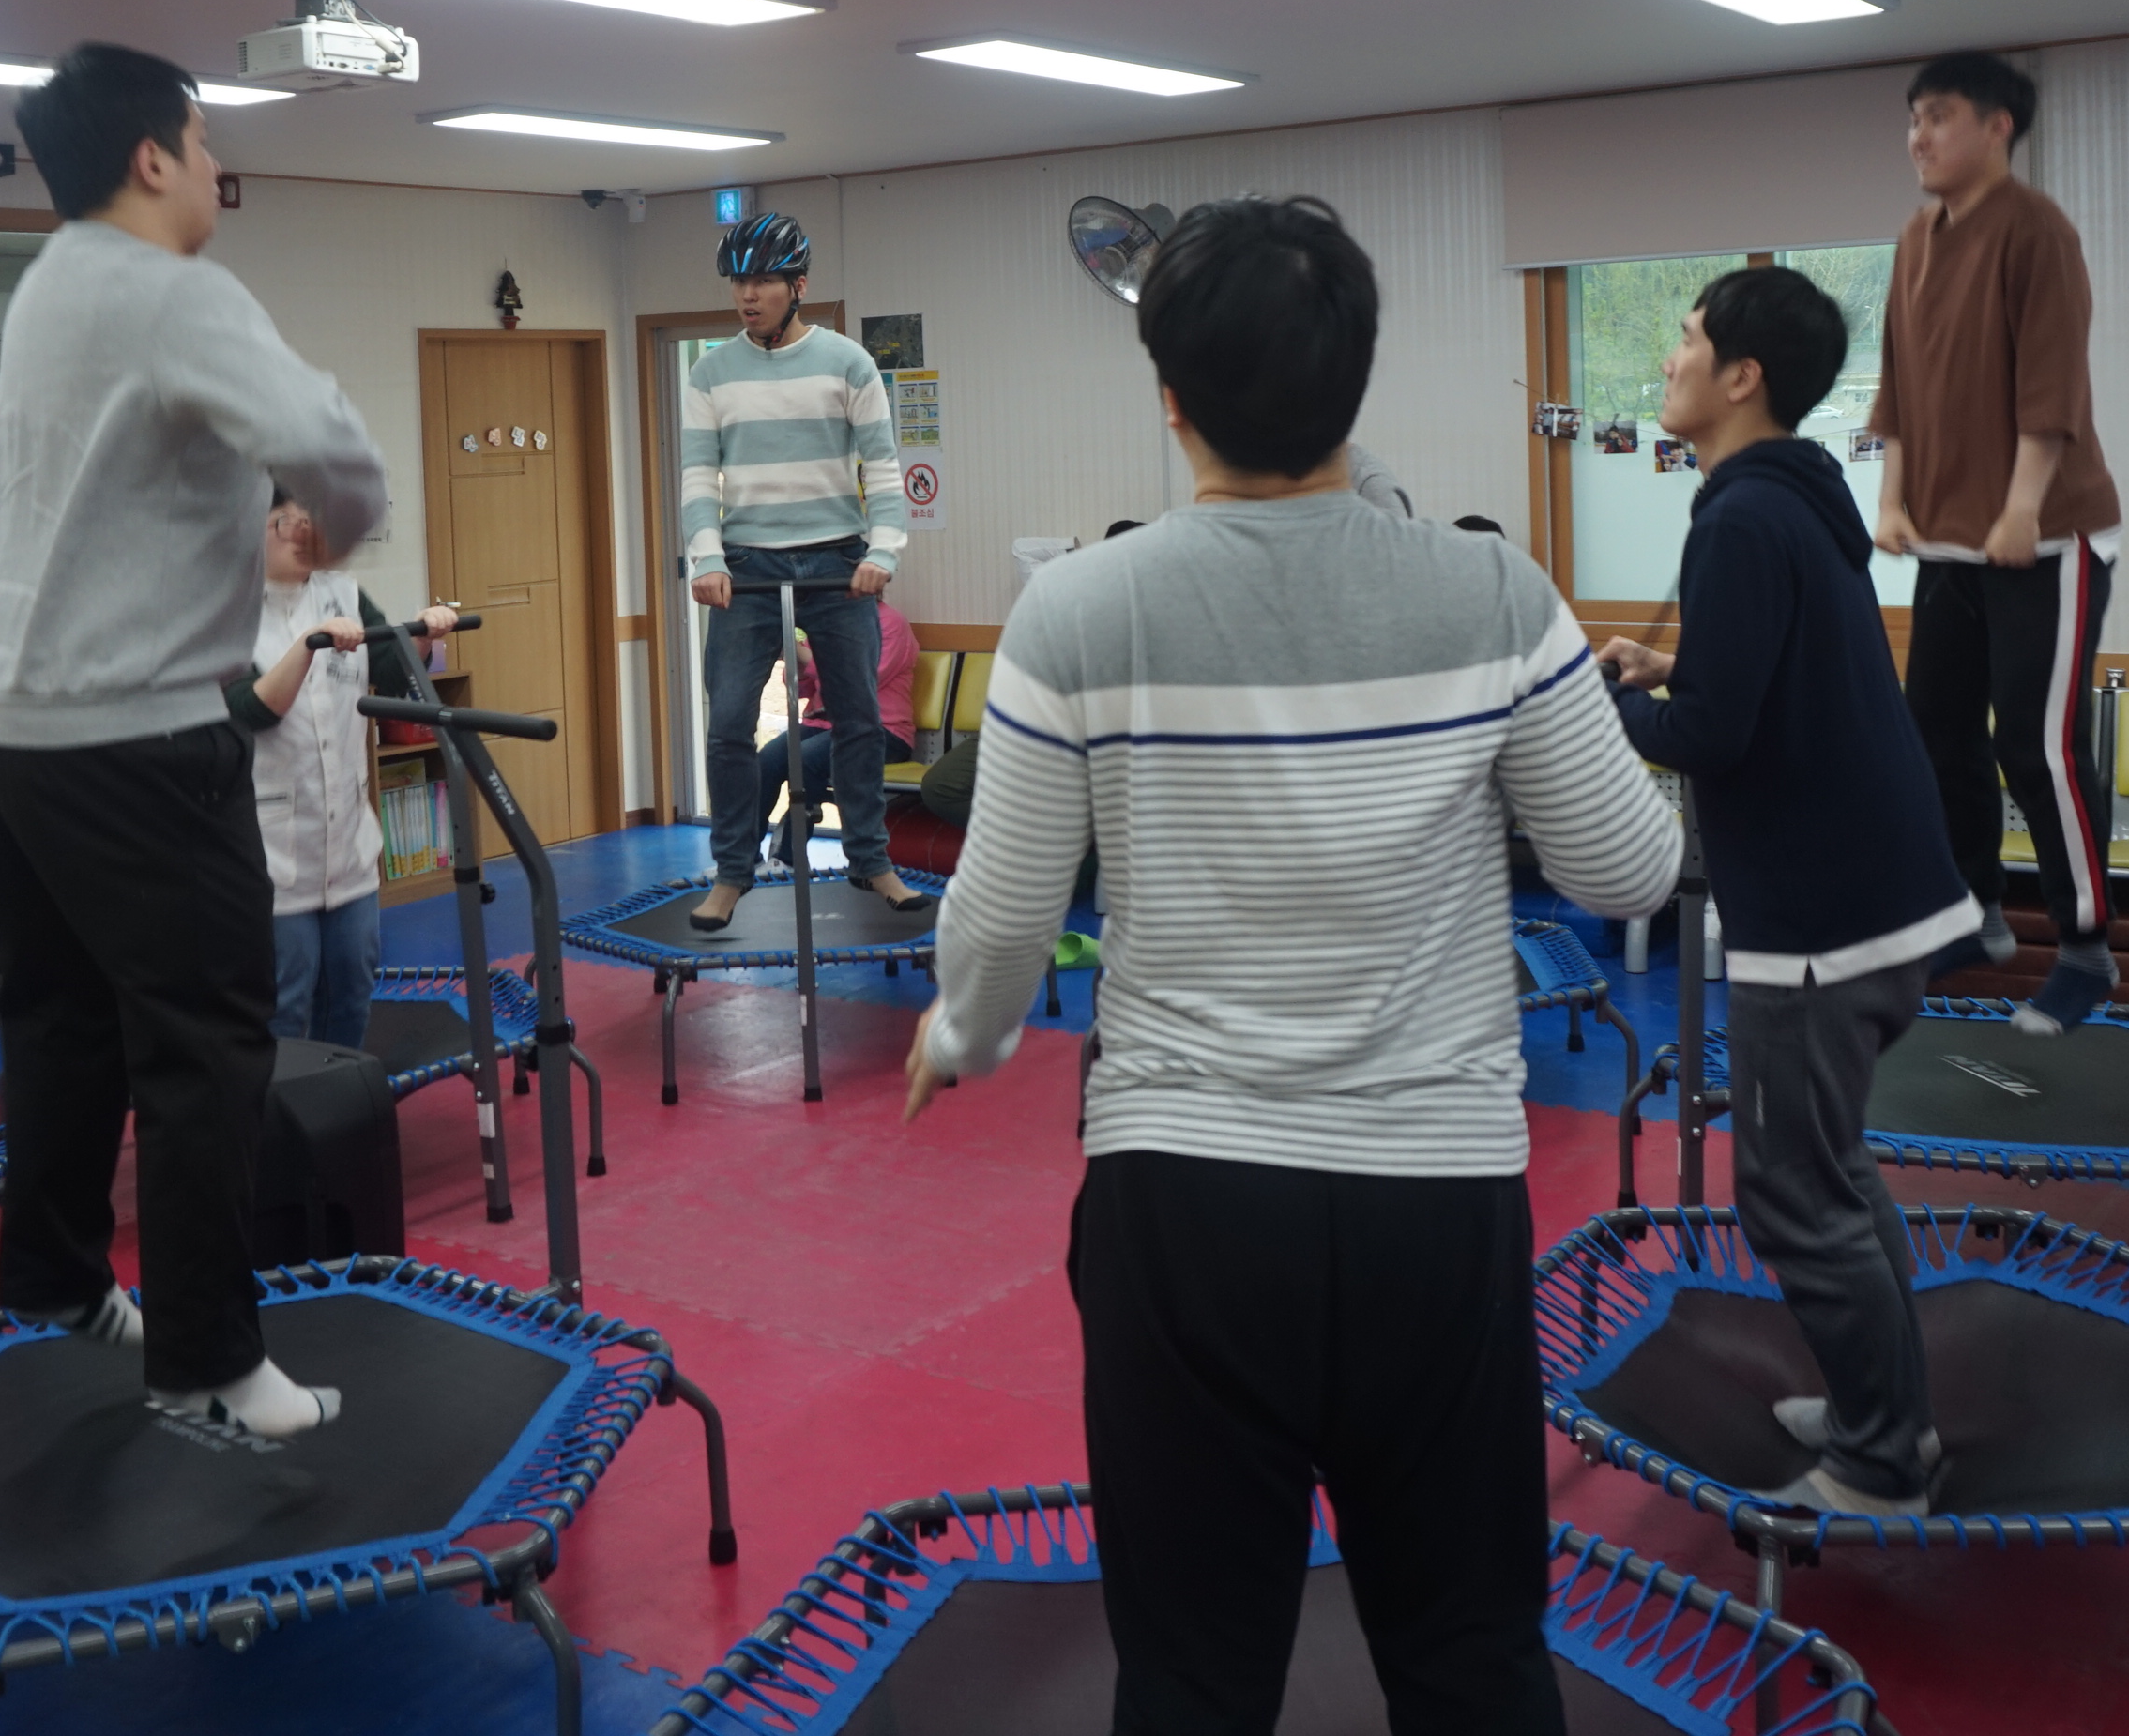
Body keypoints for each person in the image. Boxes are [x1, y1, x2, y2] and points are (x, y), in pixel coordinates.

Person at [905, 196, 1681, 1735]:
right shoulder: (1493, 592)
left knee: (1191, 1677)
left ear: (1169, 397)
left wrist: (964, 1037)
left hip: (1185, 1202)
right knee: (1471, 1657)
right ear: (1356, 378)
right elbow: (1629, 870)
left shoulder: (1079, 610)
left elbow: (998, 925)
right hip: (1433, 1204)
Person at [0, 41, 388, 1439]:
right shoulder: (172, 288)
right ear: (151, 156)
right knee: (208, 1046)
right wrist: (347, 523)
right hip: (131, 735)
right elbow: (332, 453)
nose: (213, 167)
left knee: (60, 1015)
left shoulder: (48, 284)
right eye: (204, 144)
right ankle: (208, 1361)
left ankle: (56, 1276)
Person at [1600, 269, 1972, 1515]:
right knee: (1835, 1169)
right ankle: (1891, 1413)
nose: (1668, 361)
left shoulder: (1741, 519)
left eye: (1686, 341)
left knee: (1791, 1192)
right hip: (1880, 893)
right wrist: (1672, 662)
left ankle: (1879, 1461)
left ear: (1742, 375)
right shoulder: (1792, 497)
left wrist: (1593, 706)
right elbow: (1773, 672)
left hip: (1820, 919)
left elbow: (1712, 737)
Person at [1866, 50, 2124, 1030]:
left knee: (2035, 742)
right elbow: (1898, 383)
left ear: (1995, 127)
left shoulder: (2035, 229)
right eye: (1912, 120)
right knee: (1934, 728)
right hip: (1948, 542)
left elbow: (2051, 385)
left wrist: (2022, 507)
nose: (1918, 137)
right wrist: (1893, 498)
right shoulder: (1913, 238)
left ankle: (2087, 948)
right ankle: (1973, 910)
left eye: (1938, 116)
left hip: (2048, 538)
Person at [681, 211, 929, 928]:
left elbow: (883, 469)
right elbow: (698, 477)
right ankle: (732, 871)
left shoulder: (848, 362)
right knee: (729, 724)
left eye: (762, 281)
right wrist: (707, 558)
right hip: (746, 565)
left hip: (836, 561)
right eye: (738, 283)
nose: (747, 295)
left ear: (799, 286)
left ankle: (870, 861)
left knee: (858, 718)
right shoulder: (710, 373)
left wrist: (882, 553)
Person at [227, 489, 459, 1049]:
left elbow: (396, 670)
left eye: (311, 522)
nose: (302, 534)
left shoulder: (343, 593)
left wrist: (423, 633)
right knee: (285, 1006)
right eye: (286, 522)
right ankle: (282, 1107)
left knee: (353, 993)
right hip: (274, 857)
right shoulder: (227, 613)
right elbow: (250, 710)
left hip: (350, 848)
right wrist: (310, 646)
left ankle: (342, 1098)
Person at [759, 595, 920, 871]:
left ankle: (787, 858)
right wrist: (796, 661)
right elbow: (803, 688)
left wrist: (805, 656)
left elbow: (860, 681)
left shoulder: (891, 623)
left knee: (807, 758)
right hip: (824, 725)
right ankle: (743, 859)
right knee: (766, 761)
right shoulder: (827, 622)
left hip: (881, 730)